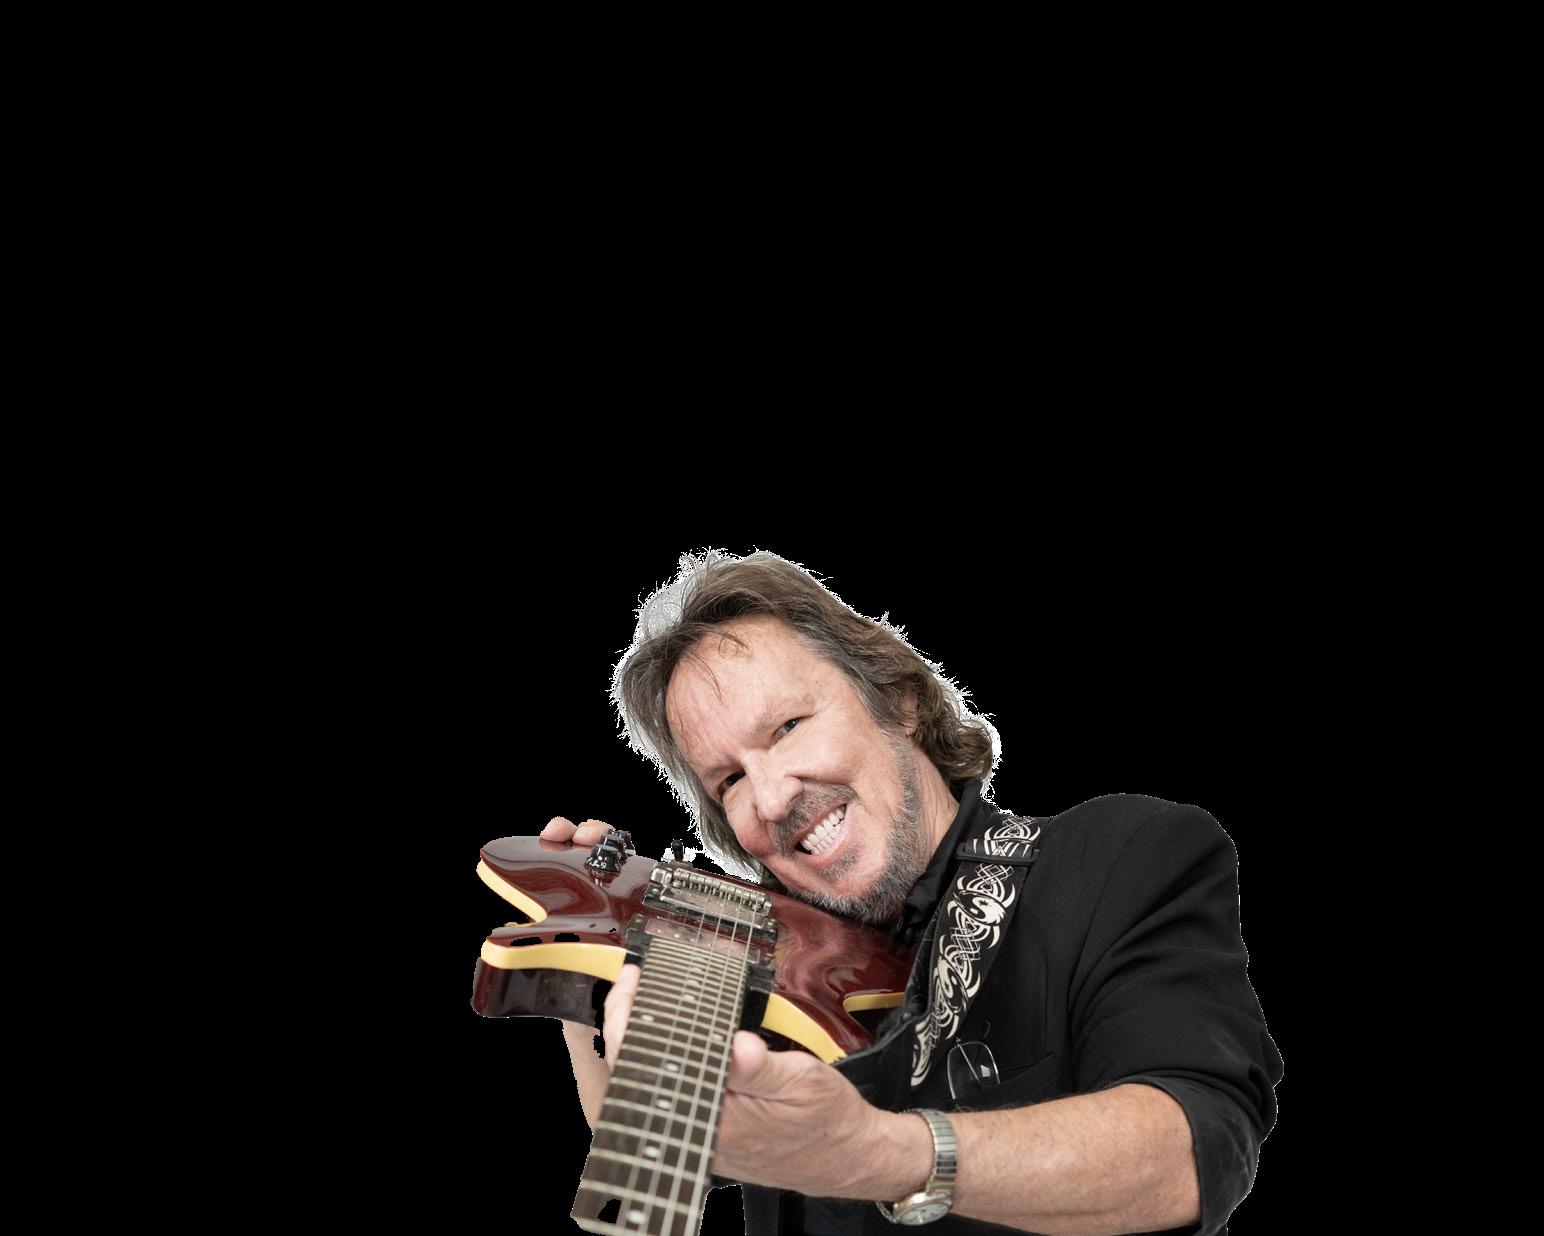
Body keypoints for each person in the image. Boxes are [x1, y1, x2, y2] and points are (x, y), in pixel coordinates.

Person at [542, 549, 1282, 1235]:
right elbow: (645, 1171)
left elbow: (1194, 1149)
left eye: (788, 727)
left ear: (897, 700)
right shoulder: (763, 960)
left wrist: (878, 1152)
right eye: (728, 779)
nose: (770, 797)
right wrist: (593, 953)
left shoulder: (1119, 858)